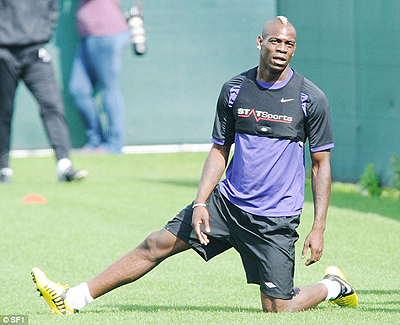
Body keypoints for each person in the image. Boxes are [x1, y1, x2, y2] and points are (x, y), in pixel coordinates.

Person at [32, 16, 358, 313]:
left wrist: (319, 227)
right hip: (225, 205)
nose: (281, 49)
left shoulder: (309, 98)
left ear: (294, 49)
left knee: (278, 308)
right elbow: (219, 150)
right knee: (156, 243)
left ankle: (333, 286)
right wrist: (202, 201)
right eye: (275, 41)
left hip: (273, 217)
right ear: (260, 42)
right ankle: (72, 298)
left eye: (289, 44)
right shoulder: (234, 90)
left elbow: (320, 165)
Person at [0, 0, 88, 183]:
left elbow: (52, 11)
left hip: (35, 53)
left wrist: (45, 34)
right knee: (3, 112)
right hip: (4, 53)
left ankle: (64, 166)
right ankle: (2, 168)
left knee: (52, 106)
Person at [69, 0, 130, 154]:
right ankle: (95, 141)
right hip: (88, 35)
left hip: (106, 32)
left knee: (109, 89)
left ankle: (115, 144)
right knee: (78, 90)